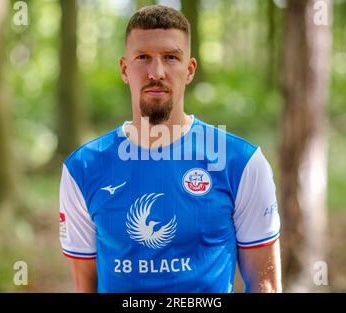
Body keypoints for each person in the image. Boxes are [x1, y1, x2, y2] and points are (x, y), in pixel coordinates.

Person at [59, 4, 281, 293]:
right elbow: (84, 285)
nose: (157, 71)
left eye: (171, 57)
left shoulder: (240, 162)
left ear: (189, 70)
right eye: (143, 57)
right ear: (125, 69)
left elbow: (265, 285)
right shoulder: (83, 168)